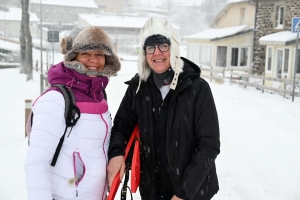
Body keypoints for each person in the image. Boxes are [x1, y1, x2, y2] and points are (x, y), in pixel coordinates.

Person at [107, 17, 220, 200]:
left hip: (193, 192)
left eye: (163, 46)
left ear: (172, 48)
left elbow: (209, 145)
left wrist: (183, 194)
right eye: (150, 47)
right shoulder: (138, 88)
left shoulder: (197, 88)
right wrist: (116, 153)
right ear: (144, 54)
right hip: (153, 192)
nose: (157, 52)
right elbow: (121, 125)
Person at [24, 27, 120, 200]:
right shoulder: (56, 99)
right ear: (73, 56)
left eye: (99, 54)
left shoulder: (99, 95)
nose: (94, 60)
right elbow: (36, 164)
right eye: (85, 53)